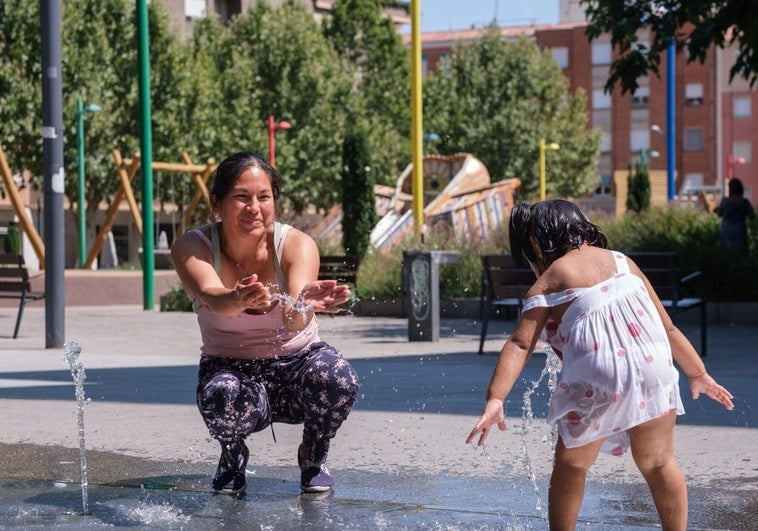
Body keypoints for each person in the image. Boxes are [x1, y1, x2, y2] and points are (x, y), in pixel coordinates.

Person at [466, 199, 734, 530]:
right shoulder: (624, 262)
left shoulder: (552, 277)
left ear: (536, 243)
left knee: (572, 465)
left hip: (598, 377)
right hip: (655, 369)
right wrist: (698, 373)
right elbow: (668, 328)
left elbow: (521, 344)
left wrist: (495, 398)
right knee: (658, 461)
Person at [171, 151, 359, 496]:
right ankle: (232, 456)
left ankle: (313, 455)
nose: (253, 208)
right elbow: (210, 294)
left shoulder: (297, 245)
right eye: (241, 197)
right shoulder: (192, 246)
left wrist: (303, 302)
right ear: (217, 203)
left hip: (297, 368)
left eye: (264, 197)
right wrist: (237, 299)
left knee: (337, 376)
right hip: (231, 369)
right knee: (221, 394)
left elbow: (292, 320)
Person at [715, 177, 754, 254]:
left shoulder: (725, 201)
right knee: (741, 253)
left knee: (726, 252)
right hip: (740, 229)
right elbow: (752, 217)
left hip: (726, 229)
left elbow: (719, 214)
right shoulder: (745, 202)